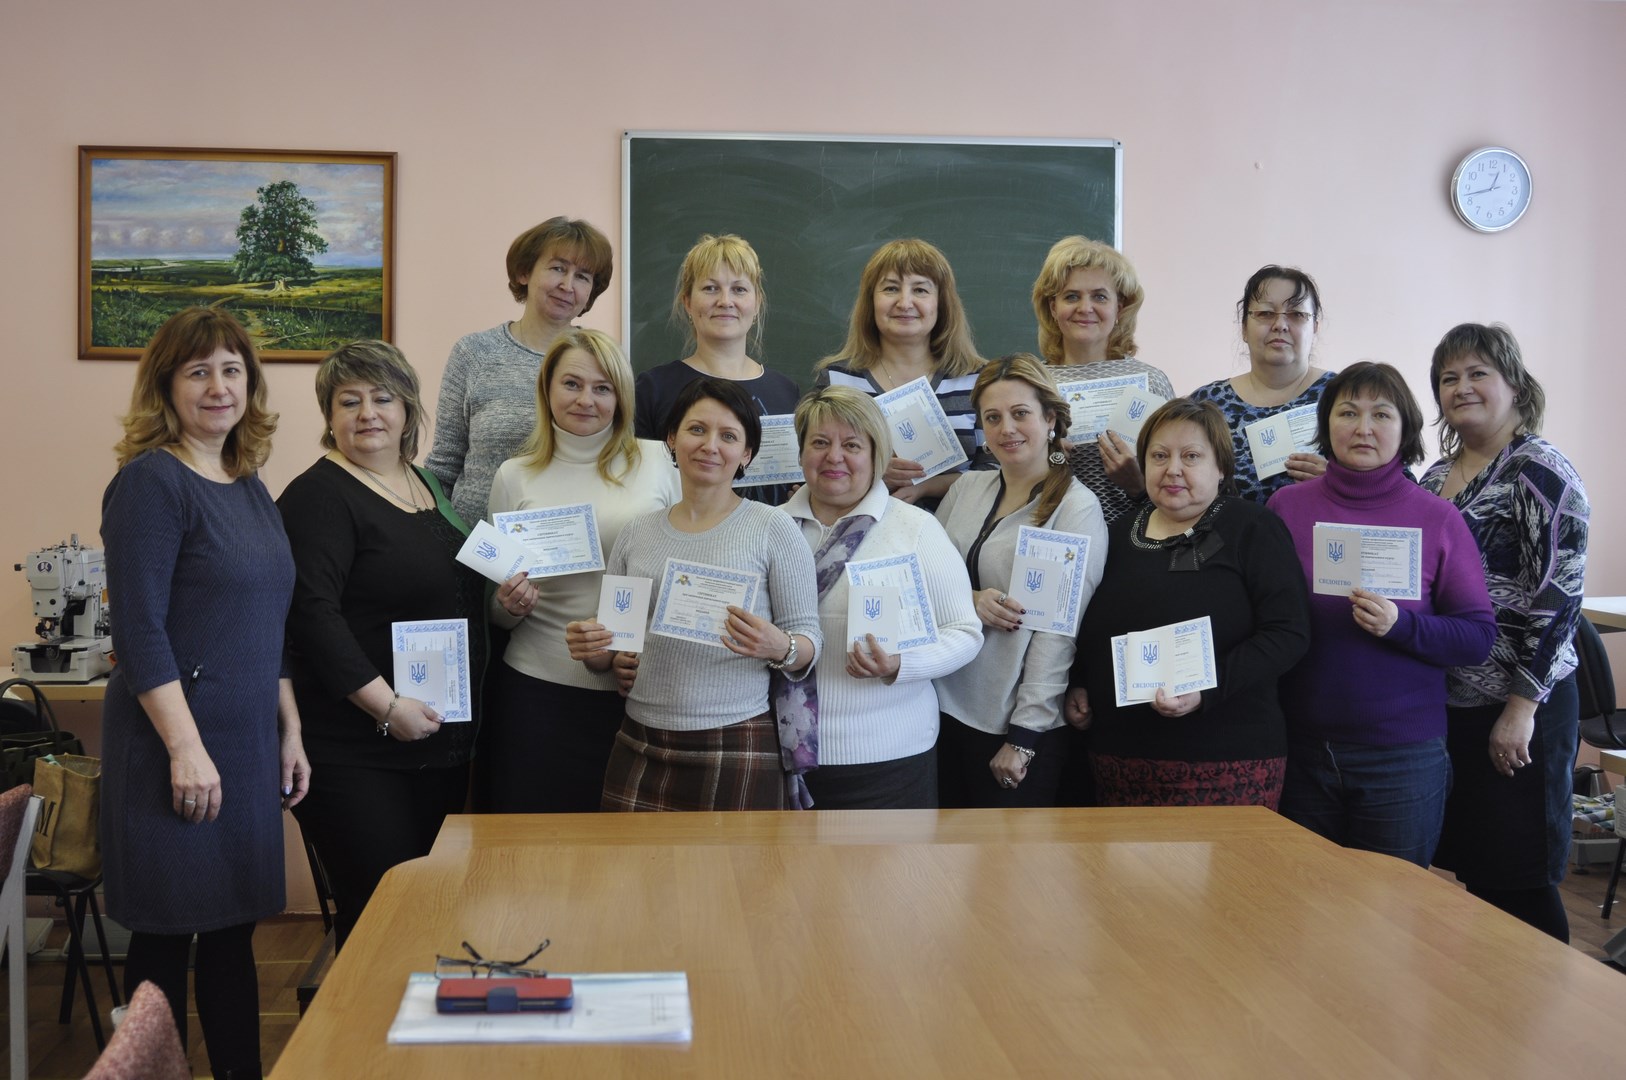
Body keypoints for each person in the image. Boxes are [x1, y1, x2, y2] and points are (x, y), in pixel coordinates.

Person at [99, 307, 310, 1078]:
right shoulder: (150, 484)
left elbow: (269, 623)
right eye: (198, 372)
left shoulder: (247, 484)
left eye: (231, 370)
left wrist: (288, 730)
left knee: (230, 931)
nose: (218, 387)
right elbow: (140, 633)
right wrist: (186, 751)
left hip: (246, 745)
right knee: (164, 936)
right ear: (166, 387)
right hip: (172, 749)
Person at [277, 341, 489, 950]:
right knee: (381, 920)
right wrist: (386, 706)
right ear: (329, 415)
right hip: (359, 749)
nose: (367, 413)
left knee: (427, 914)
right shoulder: (318, 496)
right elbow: (312, 617)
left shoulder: (424, 484)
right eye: (349, 401)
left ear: (408, 409)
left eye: (382, 398)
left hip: (435, 744)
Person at [1268, 362, 1496, 866]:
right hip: (1302, 748)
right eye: (1348, 413)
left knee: (1389, 906)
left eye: (1381, 414)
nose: (1363, 428)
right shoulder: (1287, 507)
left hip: (1402, 758)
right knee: (1300, 901)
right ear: (1327, 423)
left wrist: (1401, 625)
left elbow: (1477, 637)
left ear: (1406, 428)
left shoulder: (1437, 517)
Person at [573, 378, 823, 811]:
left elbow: (809, 643)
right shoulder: (637, 532)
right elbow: (611, 650)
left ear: (746, 453)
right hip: (640, 736)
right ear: (672, 439)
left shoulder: (773, 527)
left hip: (737, 736)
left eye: (728, 436)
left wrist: (779, 646)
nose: (710, 446)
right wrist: (594, 649)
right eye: (696, 429)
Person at [1419, 324, 1589, 941]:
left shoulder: (1539, 470)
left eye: (1477, 374)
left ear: (1514, 384)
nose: (1461, 387)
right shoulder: (1434, 476)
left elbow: (1559, 599)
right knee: (1480, 873)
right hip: (1455, 705)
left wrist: (1521, 709)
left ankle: (1546, 993)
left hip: (1519, 709)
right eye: (1448, 378)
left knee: (1520, 880)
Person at [1067, 398, 1310, 808]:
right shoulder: (1116, 533)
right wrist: (1079, 681)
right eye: (1159, 456)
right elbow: (1090, 625)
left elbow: (1289, 633)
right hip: (1119, 756)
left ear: (1221, 467)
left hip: (1228, 760)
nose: (1173, 469)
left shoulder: (1252, 527)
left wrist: (1206, 690)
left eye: (1191, 456)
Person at [485, 329, 679, 812]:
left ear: (621, 396)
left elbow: (685, 566)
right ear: (547, 388)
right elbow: (496, 612)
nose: (585, 400)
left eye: (602, 388)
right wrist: (509, 605)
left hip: (635, 688)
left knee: (624, 844)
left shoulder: (660, 460)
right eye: (571, 384)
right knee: (535, 838)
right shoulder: (514, 475)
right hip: (537, 692)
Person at [780, 386, 983, 808]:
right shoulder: (770, 528)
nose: (834, 457)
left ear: (877, 456)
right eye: (820, 442)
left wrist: (900, 665)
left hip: (891, 758)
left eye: (852, 445)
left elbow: (965, 632)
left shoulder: (915, 529)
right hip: (776, 754)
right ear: (800, 453)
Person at [933, 355, 1107, 806]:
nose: (1006, 428)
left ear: (1050, 419)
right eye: (992, 417)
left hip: (1009, 728)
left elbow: (1055, 635)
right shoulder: (965, 490)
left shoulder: (1074, 508)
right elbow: (926, 583)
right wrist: (969, 598)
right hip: (939, 709)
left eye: (1020, 413)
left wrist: (1025, 736)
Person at [426, 216, 614, 527]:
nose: (568, 286)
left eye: (582, 276)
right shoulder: (474, 353)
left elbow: (618, 458)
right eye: (558, 268)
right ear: (524, 272)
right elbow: (444, 465)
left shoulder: (605, 361)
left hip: (566, 544)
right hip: (472, 543)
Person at [815, 238, 986, 512]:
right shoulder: (837, 380)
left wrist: (927, 486)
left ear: (941, 303)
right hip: (859, 529)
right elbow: (814, 463)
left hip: (958, 532)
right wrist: (872, 471)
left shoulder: (977, 380)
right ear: (871, 301)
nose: (905, 302)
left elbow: (996, 471)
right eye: (891, 288)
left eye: (920, 290)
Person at [633, 234, 800, 503]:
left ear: (757, 302)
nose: (725, 301)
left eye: (739, 289)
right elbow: (639, 486)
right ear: (687, 301)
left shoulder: (786, 391)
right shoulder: (653, 389)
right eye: (711, 288)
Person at [1030, 235, 1175, 524]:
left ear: (1119, 308)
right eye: (1072, 296)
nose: (1085, 308)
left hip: (1136, 537)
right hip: (1052, 536)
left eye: (1099, 296)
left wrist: (1138, 484)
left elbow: (1177, 478)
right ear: (1053, 308)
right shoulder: (1031, 384)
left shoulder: (1151, 383)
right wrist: (1037, 462)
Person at [1189, 265, 1335, 504]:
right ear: (1244, 328)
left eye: (1296, 314)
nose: (1280, 325)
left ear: (1315, 327)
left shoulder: (1344, 396)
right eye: (1266, 313)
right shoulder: (1207, 402)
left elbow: (1394, 483)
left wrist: (1341, 482)